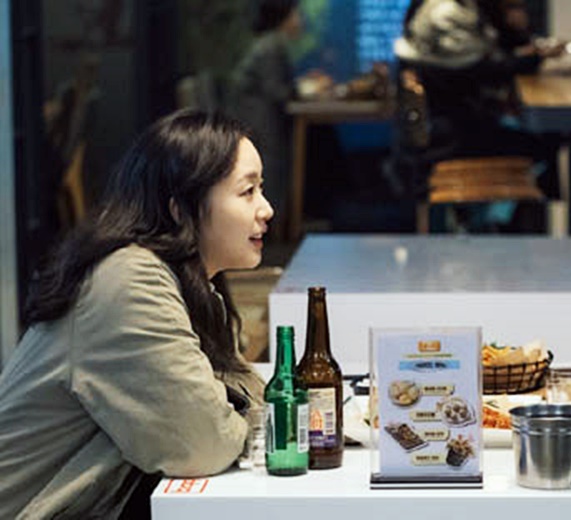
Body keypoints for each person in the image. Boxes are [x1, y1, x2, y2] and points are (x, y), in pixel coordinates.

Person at [0, 110, 273, 519]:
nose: (266, 209)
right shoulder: (129, 281)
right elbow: (201, 442)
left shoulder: (186, 284)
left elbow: (243, 390)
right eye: (247, 191)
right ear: (180, 208)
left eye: (260, 189)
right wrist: (246, 416)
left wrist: (237, 411)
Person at [394, 0, 562, 231]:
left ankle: (496, 222)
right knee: (546, 142)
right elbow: (482, 70)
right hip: (447, 142)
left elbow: (493, 52)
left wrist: (516, 31)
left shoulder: (450, 8)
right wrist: (533, 58)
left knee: (541, 137)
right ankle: (504, 226)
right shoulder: (446, 12)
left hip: (447, 131)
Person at [230, 0, 329, 240]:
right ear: (283, 17)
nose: (300, 21)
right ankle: (276, 227)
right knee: (275, 164)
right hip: (258, 120)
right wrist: (307, 89)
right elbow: (277, 91)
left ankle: (284, 223)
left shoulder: (272, 43)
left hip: (261, 116)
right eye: (296, 15)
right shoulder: (271, 46)